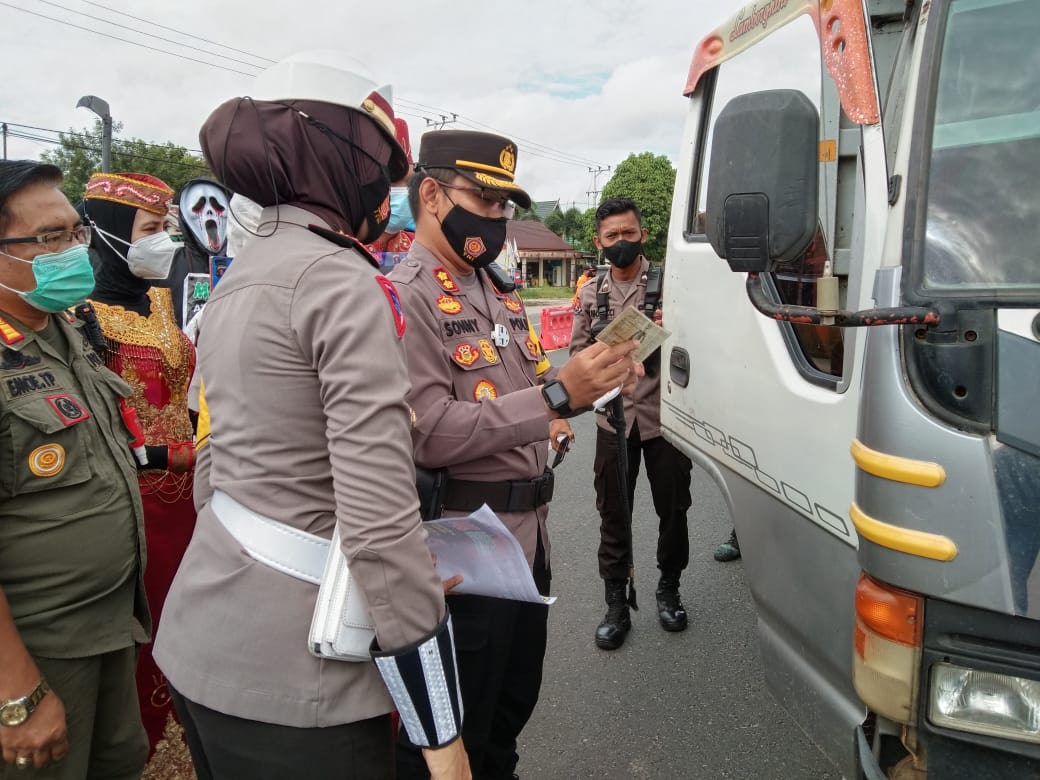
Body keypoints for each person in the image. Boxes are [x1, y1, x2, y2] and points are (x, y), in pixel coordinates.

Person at [152, 50, 470, 780]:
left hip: (204, 639)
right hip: (302, 680)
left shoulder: (242, 276)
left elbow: (216, 468)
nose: (385, 192)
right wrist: (440, 733)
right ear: (331, 154)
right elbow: (376, 515)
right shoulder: (340, 278)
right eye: (376, 166)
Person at [390, 130, 642, 779]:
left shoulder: (495, 287)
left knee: (508, 717)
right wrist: (556, 397)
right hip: (464, 556)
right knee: (454, 741)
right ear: (431, 195)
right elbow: (429, 432)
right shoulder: (404, 294)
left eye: (506, 205)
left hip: (529, 546)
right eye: (486, 199)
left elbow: (525, 392)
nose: (499, 217)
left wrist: (579, 395)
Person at [0, 160, 151, 777]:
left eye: (75, 233)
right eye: (49, 239)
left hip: (109, 623)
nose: (71, 252)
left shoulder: (65, 329)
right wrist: (18, 694)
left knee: (118, 762)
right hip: (39, 645)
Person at [79, 171, 198, 772]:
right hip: (134, 498)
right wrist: (155, 455)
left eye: (166, 228)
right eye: (151, 230)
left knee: (192, 627)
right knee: (142, 639)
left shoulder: (157, 297)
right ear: (106, 231)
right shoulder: (78, 312)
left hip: (192, 494)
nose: (164, 242)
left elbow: (180, 390)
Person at [570, 196, 694, 651]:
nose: (620, 242)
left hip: (666, 423)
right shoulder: (589, 293)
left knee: (674, 511)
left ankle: (669, 589)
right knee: (614, 515)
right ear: (598, 243)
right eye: (611, 236)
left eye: (628, 233)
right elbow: (576, 358)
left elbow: (698, 347)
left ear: (643, 233)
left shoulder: (673, 285)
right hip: (613, 425)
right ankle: (617, 603)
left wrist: (675, 327)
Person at [157, 177, 232, 329]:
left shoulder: (242, 264)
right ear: (184, 216)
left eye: (218, 206)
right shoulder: (165, 265)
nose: (209, 211)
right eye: (198, 206)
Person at [366, 117, 416, 272]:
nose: (404, 194)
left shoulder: (417, 245)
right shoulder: (340, 246)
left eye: (408, 183)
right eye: (393, 182)